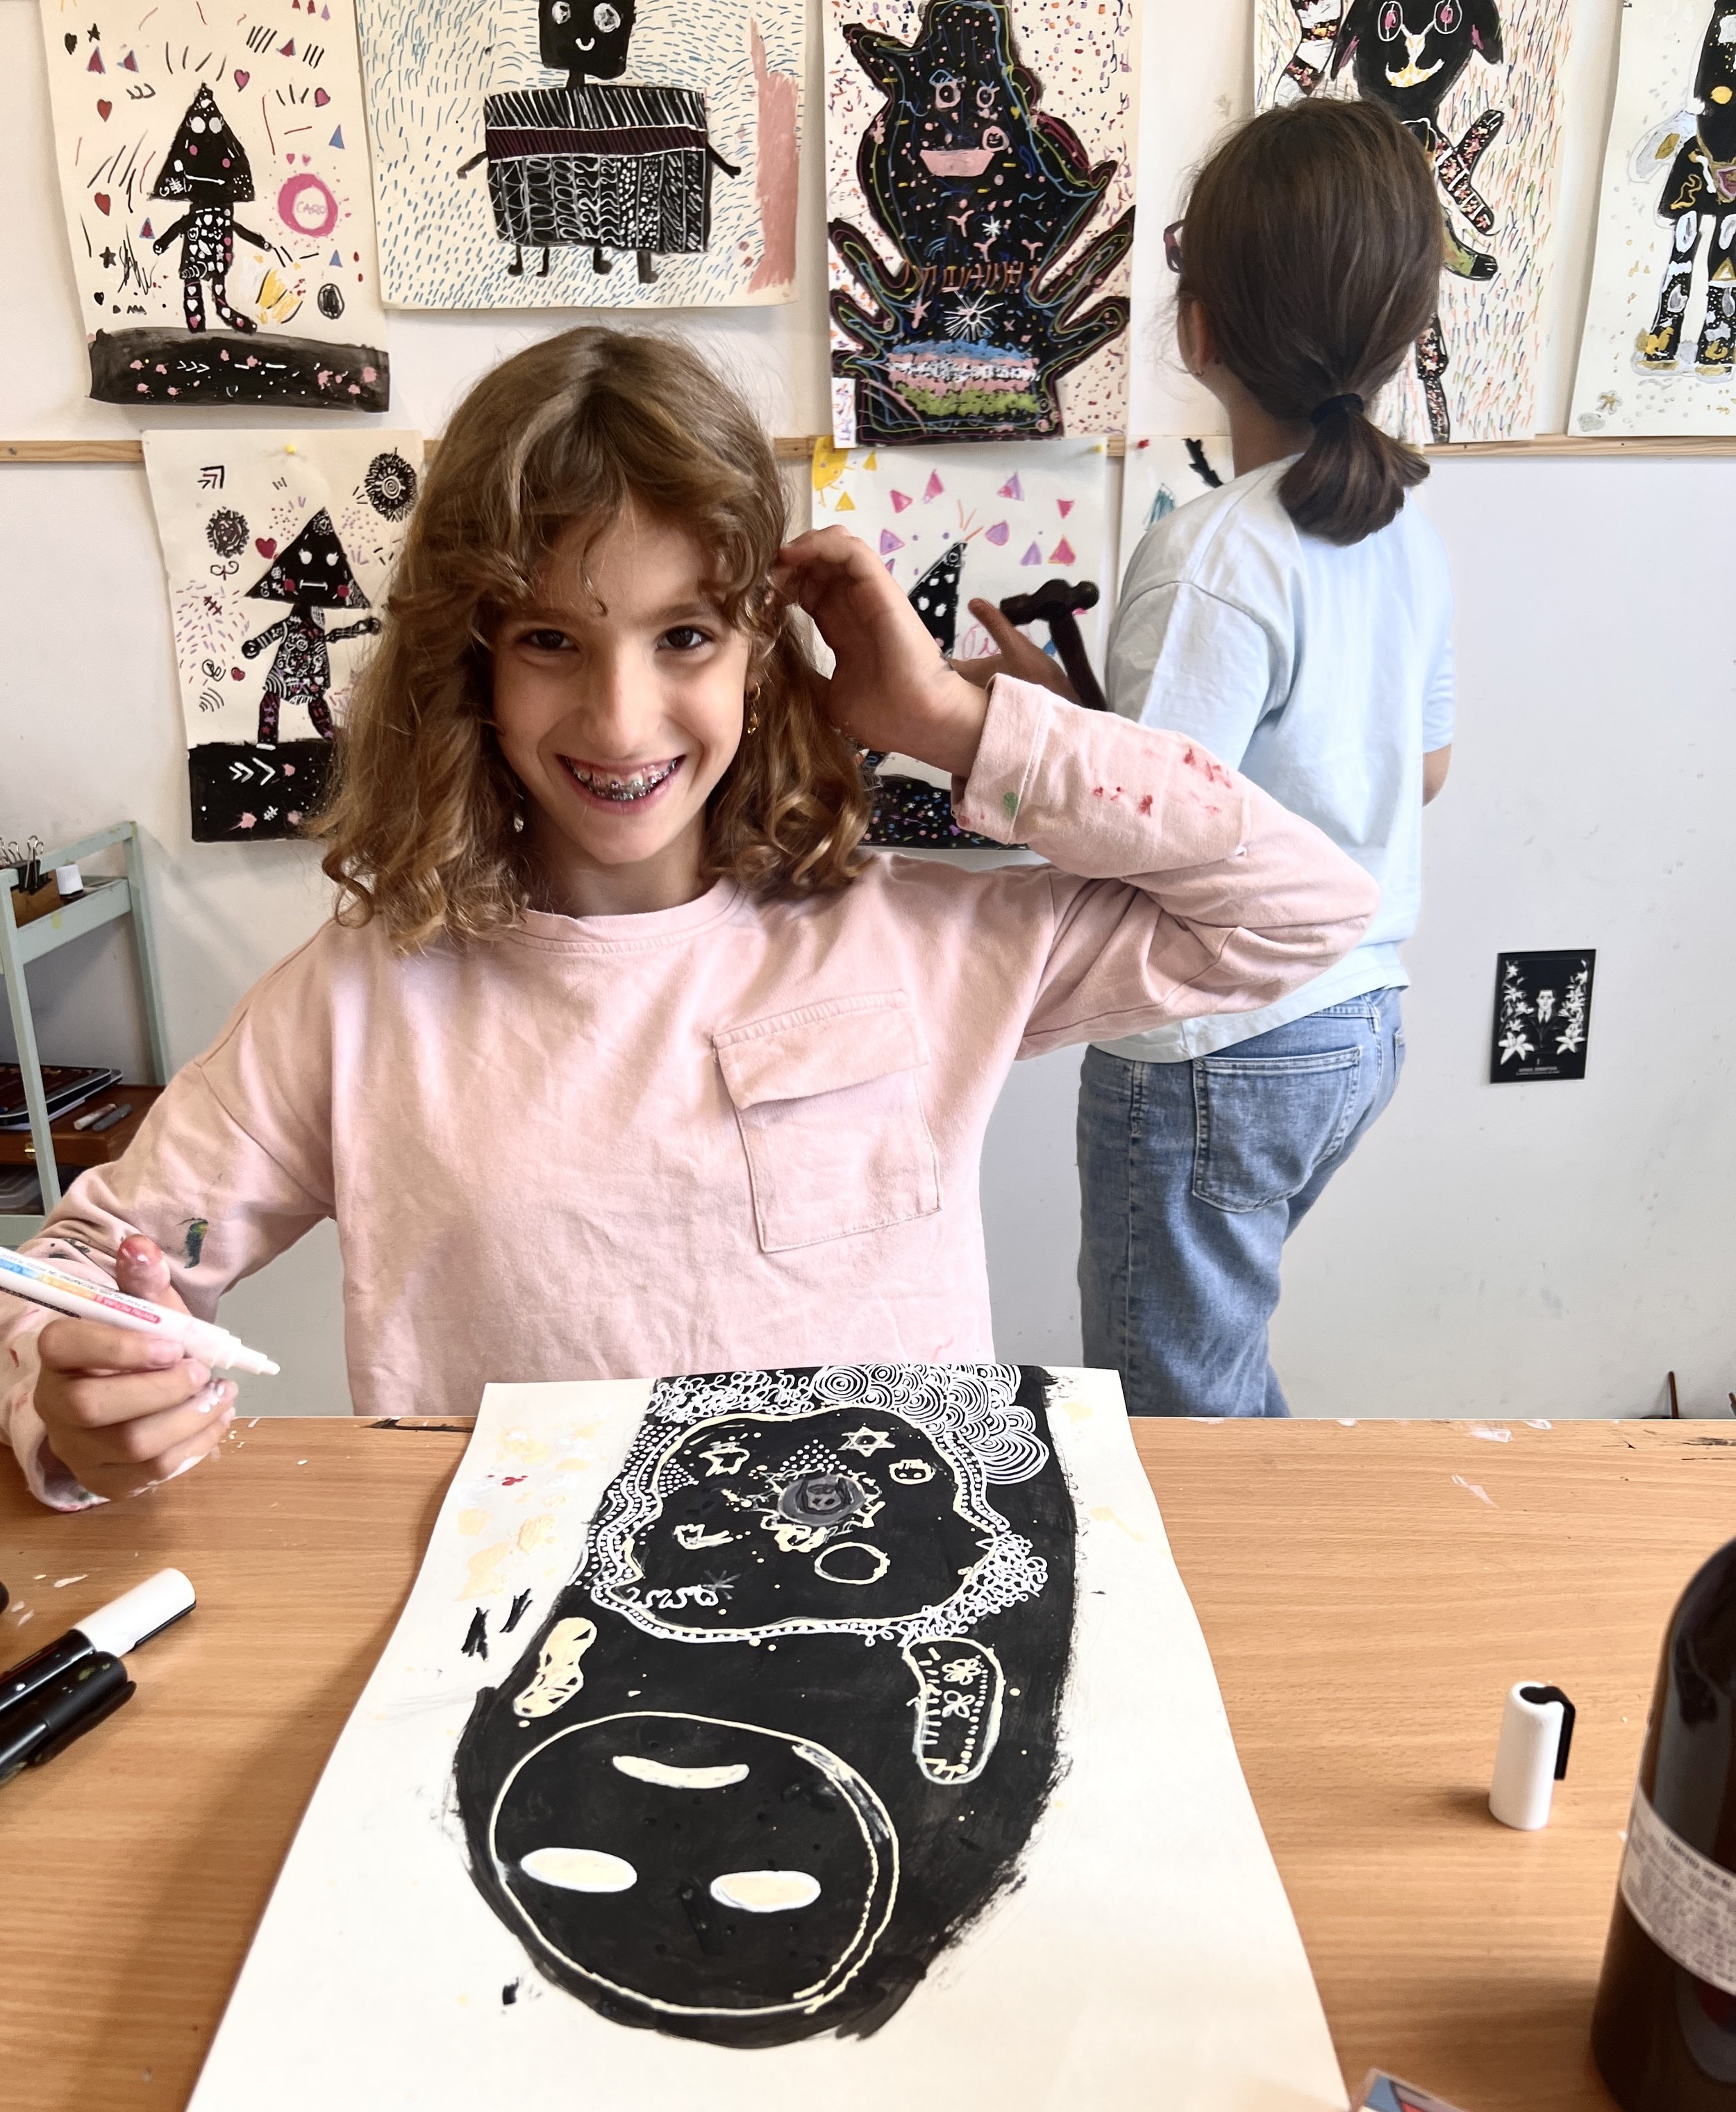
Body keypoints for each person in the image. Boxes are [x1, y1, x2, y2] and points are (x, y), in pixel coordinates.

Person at [2, 326, 1376, 1510]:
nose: (617, 717)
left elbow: (1301, 907)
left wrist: (947, 720)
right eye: (549, 639)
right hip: (512, 1661)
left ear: (764, 648)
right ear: (468, 662)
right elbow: (75, 1263)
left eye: (684, 637)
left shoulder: (919, 940)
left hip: (883, 1629)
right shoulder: (360, 998)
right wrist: (75, 1395)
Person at [967, 100, 1455, 1417]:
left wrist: (1007, 737)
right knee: (1217, 1370)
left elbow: (1133, 825)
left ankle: (1241, 1614)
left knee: (1175, 1411)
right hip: (1360, 1023)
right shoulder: (1404, 531)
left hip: (1221, 1044)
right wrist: (1070, 712)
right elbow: (1422, 771)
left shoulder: (1214, 550)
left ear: (1198, 328)